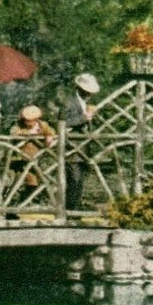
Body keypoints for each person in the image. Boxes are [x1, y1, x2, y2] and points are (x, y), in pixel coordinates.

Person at [61, 72, 99, 211]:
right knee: (74, 180)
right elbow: (63, 123)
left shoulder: (84, 103)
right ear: (80, 89)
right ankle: (70, 210)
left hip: (83, 148)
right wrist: (84, 118)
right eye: (87, 91)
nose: (90, 95)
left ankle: (75, 209)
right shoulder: (69, 102)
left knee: (79, 182)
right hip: (72, 149)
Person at [9, 105, 56, 196]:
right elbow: (13, 132)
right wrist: (26, 133)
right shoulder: (19, 125)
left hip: (38, 157)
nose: (28, 123)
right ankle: (18, 200)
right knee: (24, 179)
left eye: (30, 120)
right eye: (26, 120)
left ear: (36, 119)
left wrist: (49, 136)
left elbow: (51, 131)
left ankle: (28, 199)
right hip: (22, 158)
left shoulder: (42, 125)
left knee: (36, 179)